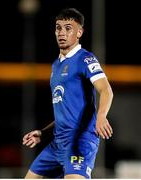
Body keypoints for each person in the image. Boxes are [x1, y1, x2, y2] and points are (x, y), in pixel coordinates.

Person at [22, 8, 113, 179]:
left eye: (68, 28)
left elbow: (106, 89)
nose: (62, 33)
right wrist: (43, 132)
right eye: (58, 28)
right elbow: (65, 114)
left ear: (79, 32)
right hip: (57, 143)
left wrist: (101, 116)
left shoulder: (85, 59)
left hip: (80, 141)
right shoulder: (56, 66)